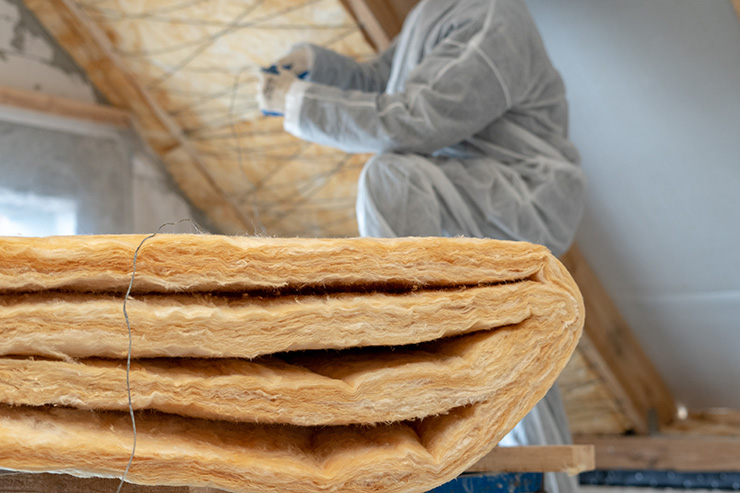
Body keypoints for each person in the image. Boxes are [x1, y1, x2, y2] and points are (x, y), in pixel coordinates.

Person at [258, 1, 585, 491]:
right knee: (512, 331)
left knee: (393, 179)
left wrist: (301, 102)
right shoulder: (437, 10)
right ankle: (435, 371)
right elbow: (386, 81)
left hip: (519, 193)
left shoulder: (493, 19)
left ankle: (416, 363)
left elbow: (419, 118)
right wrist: (317, 66)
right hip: (472, 184)